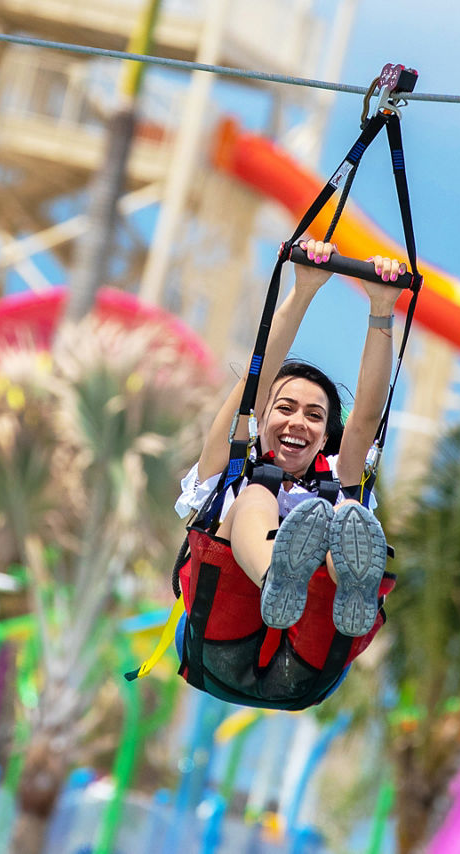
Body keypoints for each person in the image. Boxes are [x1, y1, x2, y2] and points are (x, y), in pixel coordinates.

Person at [170, 238, 405, 706]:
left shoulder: (340, 478)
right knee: (256, 495)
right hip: (219, 642)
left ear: (324, 437)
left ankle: (351, 587)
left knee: (347, 518)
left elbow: (364, 421)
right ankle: (278, 571)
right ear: (263, 419)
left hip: (309, 658)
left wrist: (382, 308)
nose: (299, 422)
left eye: (315, 417)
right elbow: (248, 387)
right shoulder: (231, 468)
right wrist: (302, 290)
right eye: (286, 408)